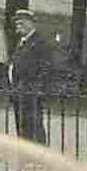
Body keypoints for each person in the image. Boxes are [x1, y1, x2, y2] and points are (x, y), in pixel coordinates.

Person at [7, 8, 56, 143]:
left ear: (31, 23)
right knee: (22, 126)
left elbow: (46, 69)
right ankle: (26, 157)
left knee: (34, 127)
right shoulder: (22, 42)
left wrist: (37, 89)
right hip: (19, 92)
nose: (18, 26)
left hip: (31, 93)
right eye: (17, 23)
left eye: (21, 23)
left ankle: (38, 158)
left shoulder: (39, 43)